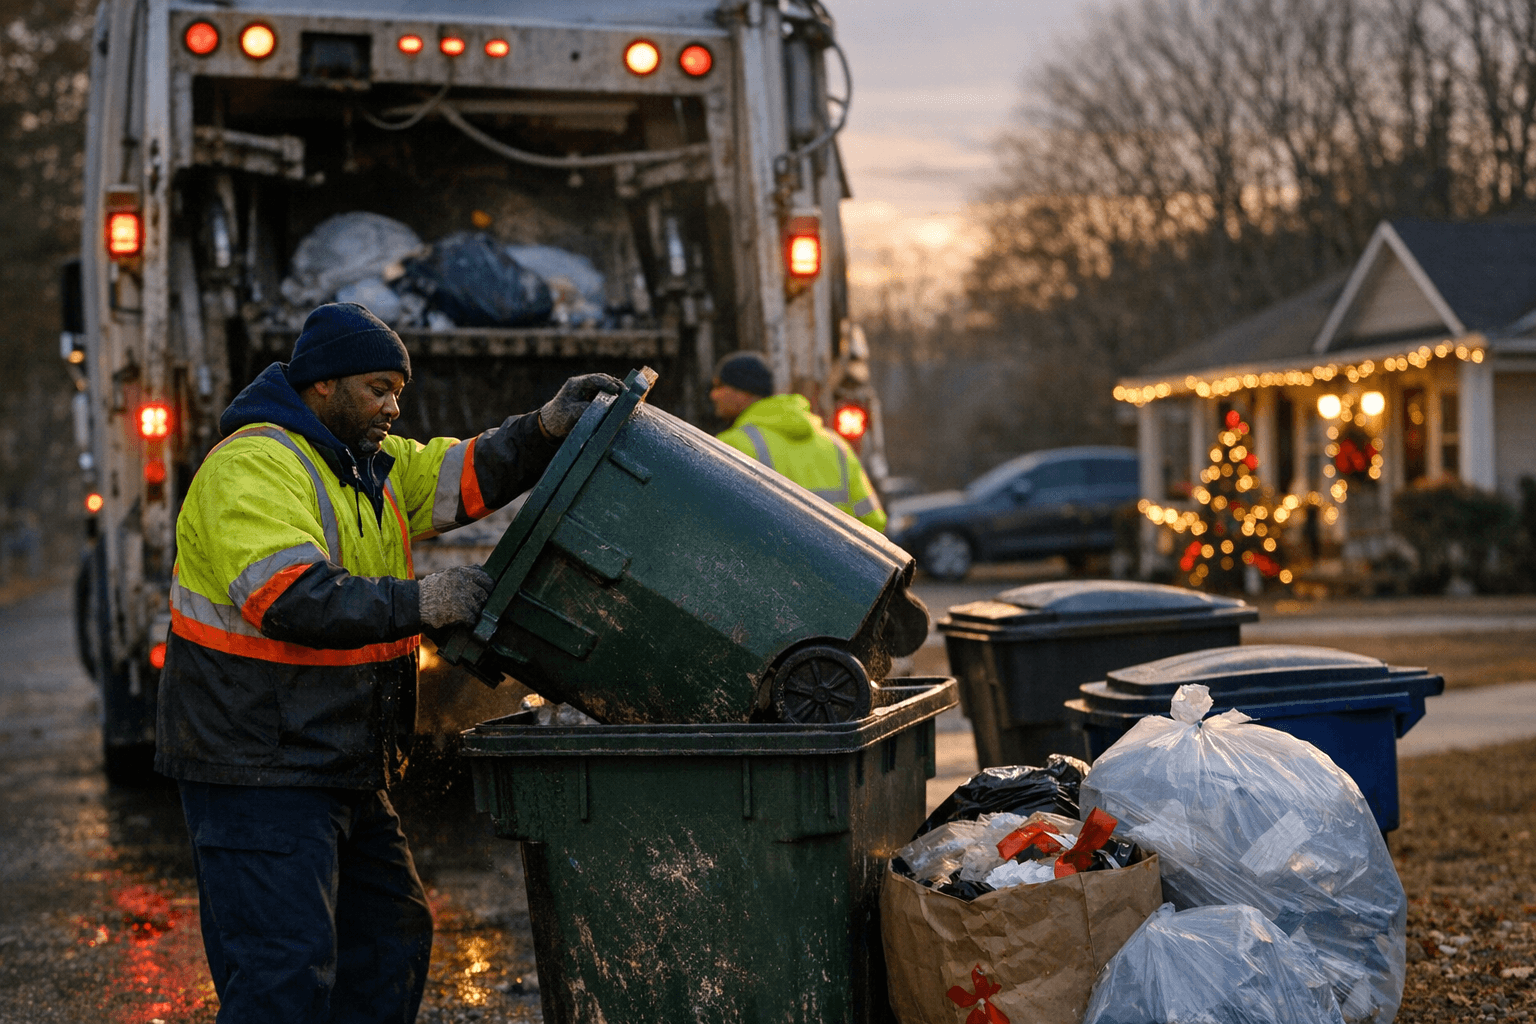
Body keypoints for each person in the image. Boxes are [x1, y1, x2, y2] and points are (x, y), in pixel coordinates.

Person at [156, 302, 617, 1023]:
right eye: (378, 389)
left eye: (398, 391)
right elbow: (291, 598)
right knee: (282, 972)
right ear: (322, 384)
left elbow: (463, 471)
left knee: (388, 939)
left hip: (331, 758)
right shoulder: (253, 466)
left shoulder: (365, 465)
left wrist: (545, 429)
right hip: (259, 765)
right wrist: (421, 601)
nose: (393, 407)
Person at [710, 351, 886, 531]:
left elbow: (719, 523)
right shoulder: (836, 445)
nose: (713, 395)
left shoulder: (732, 445)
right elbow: (874, 521)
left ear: (742, 393)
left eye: (719, 386)